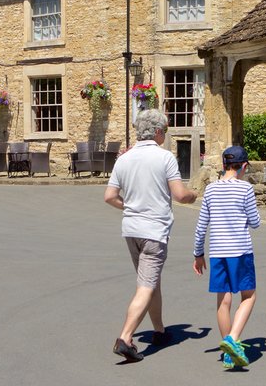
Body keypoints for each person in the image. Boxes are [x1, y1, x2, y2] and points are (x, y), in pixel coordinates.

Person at [104, 109, 197, 363]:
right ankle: (125, 338)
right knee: (145, 285)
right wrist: (193, 195)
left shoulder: (124, 159)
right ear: (157, 132)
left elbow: (110, 196)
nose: (164, 135)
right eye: (164, 131)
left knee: (150, 280)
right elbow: (180, 195)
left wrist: (132, 206)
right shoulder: (164, 158)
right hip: (154, 231)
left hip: (131, 229)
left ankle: (159, 330)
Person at [192, 145, 261, 369]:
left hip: (217, 253)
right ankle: (233, 339)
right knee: (249, 296)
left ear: (223, 166)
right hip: (240, 251)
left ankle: (228, 354)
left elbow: (201, 226)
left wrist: (198, 254)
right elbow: (256, 222)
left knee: (224, 301)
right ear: (243, 166)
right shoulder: (245, 189)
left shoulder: (211, 190)